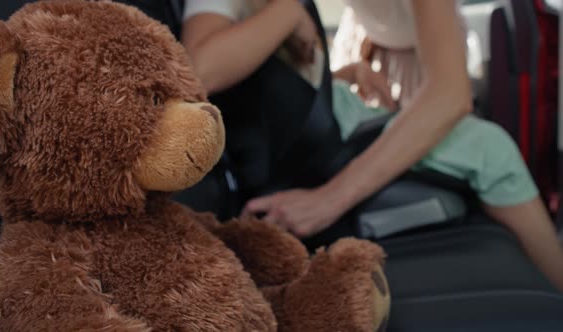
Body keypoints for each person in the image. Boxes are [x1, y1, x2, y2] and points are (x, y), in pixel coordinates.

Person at [181, 0, 563, 292]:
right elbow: (200, 69)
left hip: (336, 114)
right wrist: (326, 201)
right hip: (327, 137)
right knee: (490, 148)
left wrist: (336, 77)